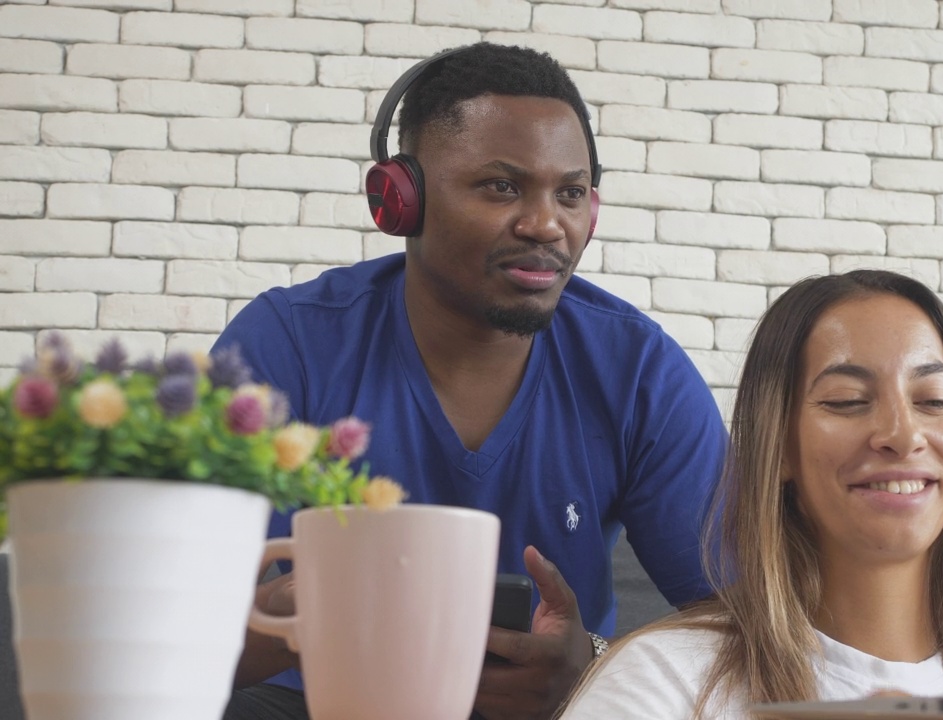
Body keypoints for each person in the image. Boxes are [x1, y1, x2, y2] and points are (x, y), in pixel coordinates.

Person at [215, 42, 726, 720]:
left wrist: (595, 666)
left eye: (570, 193)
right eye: (502, 186)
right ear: (399, 200)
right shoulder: (287, 344)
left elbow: (745, 627)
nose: (547, 223)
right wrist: (289, 624)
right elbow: (162, 631)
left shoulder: (639, 371)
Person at [558, 270, 943, 719]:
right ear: (779, 448)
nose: (903, 435)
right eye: (847, 400)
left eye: (934, 400)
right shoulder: (661, 682)